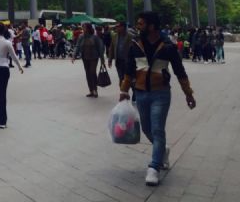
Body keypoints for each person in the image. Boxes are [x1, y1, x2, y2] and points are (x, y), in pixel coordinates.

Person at [119, 11, 196, 187]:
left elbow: (179, 71)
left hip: (161, 93)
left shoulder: (167, 46)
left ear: (151, 26)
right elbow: (129, 70)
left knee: (157, 129)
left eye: (141, 24)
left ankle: (154, 167)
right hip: (140, 93)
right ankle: (162, 150)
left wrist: (188, 93)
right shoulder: (135, 45)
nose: (138, 27)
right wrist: (124, 91)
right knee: (146, 128)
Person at [72, 23, 105, 98]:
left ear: (89, 28)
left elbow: (100, 48)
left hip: (94, 57)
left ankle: (95, 90)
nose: (83, 29)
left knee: (92, 72)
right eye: (82, 27)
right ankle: (91, 90)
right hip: (85, 57)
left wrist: (102, 59)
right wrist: (74, 55)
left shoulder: (95, 37)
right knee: (88, 74)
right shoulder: (81, 37)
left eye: (84, 27)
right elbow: (77, 46)